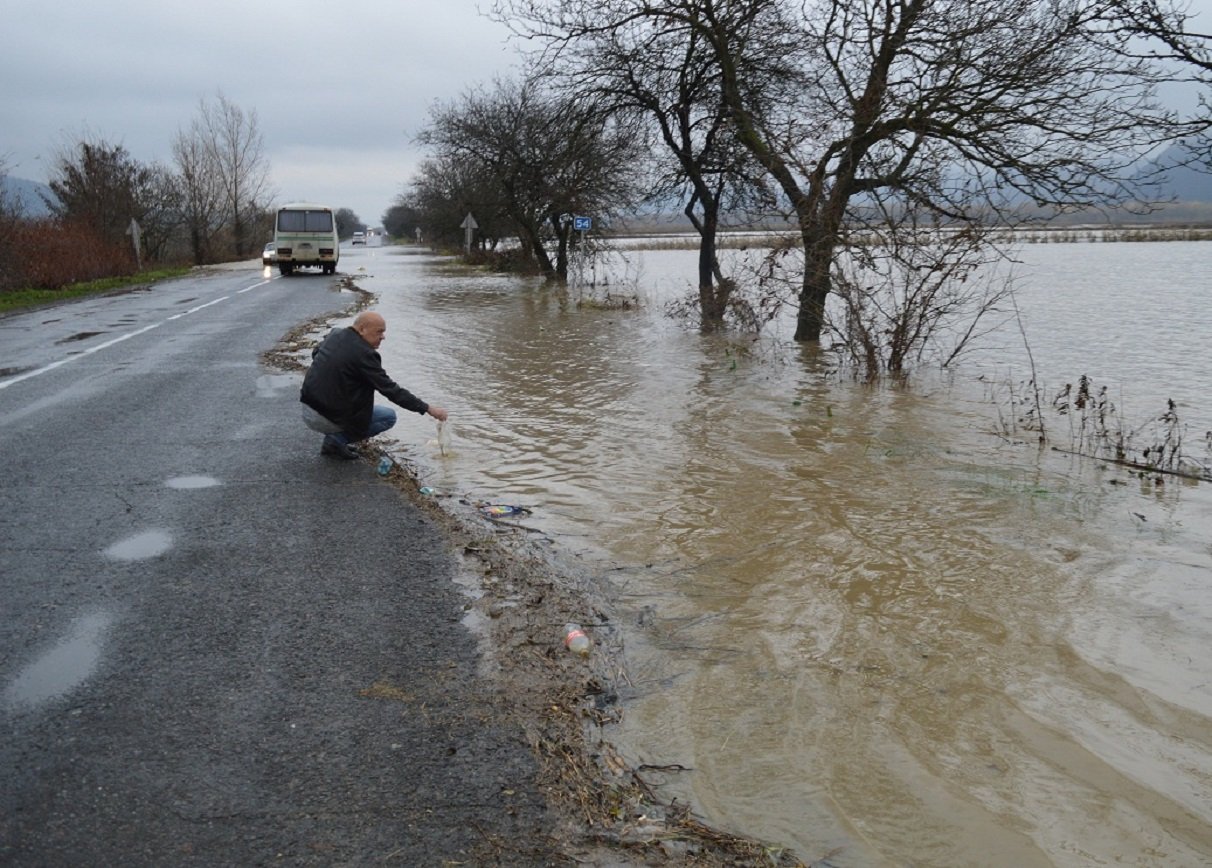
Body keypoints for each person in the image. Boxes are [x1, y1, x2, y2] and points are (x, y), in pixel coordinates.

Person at [300, 311, 448, 460]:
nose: (383, 336)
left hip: (308, 406)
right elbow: (391, 390)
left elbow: (316, 353)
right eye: (379, 332)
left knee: (359, 404)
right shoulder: (364, 354)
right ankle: (336, 441)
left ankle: (336, 438)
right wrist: (428, 409)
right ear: (363, 329)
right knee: (388, 416)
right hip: (323, 417)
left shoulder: (335, 334)